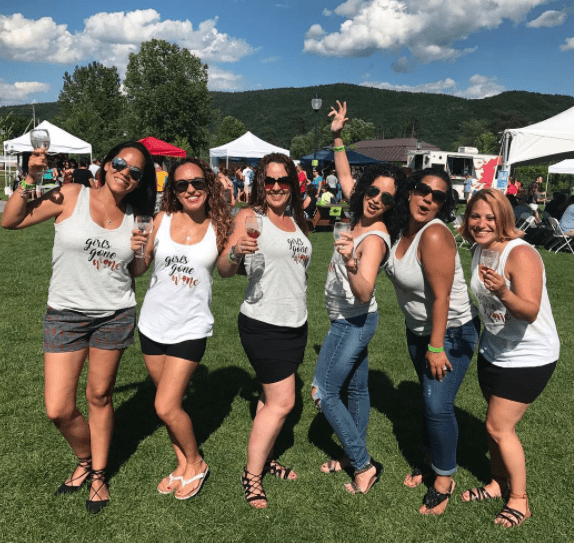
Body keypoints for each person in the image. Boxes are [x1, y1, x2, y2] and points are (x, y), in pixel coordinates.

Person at [2, 140, 156, 514]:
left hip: (114, 314)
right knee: (57, 408)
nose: (125, 173)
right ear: (105, 165)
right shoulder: (72, 195)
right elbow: (10, 220)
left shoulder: (138, 216)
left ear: (138, 182)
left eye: (135, 172)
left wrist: (141, 252)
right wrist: (30, 179)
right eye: (120, 163)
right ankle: (86, 457)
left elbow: (134, 271)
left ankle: (98, 473)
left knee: (99, 397)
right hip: (65, 313)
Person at [311, 100, 407, 494]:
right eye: (374, 192)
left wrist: (352, 261)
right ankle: (353, 455)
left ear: (392, 205)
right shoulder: (359, 210)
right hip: (351, 319)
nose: (376, 200)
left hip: (353, 320)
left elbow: (365, 290)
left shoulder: (375, 238)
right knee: (357, 388)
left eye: (386, 198)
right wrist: (337, 135)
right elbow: (345, 172)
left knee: (323, 390)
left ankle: (364, 465)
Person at [131, 157, 232, 500]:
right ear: (173, 191)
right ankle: (182, 466)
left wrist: (238, 254)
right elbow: (140, 269)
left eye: (197, 183)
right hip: (152, 325)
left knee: (165, 406)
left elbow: (226, 271)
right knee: (167, 404)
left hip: (191, 328)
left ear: (208, 185)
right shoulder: (162, 219)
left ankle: (196, 462)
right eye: (182, 185)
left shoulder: (221, 226)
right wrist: (137, 251)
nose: (191, 190)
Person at [458, 188, 559, 528]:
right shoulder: (479, 249)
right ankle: (496, 483)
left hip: (530, 354)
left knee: (499, 427)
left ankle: (519, 500)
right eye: (475, 216)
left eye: (490, 217)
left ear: (504, 218)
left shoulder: (521, 254)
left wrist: (503, 291)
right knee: (492, 426)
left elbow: (529, 311)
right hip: (494, 350)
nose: (481, 223)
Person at [217, 153, 312, 509]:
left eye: (282, 181)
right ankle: (252, 476)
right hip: (262, 323)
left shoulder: (296, 222)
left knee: (269, 398)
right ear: (260, 184)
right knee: (284, 401)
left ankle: (266, 458)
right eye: (268, 181)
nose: (275, 187)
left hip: (295, 323)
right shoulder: (248, 217)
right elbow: (224, 270)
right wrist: (236, 253)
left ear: (292, 185)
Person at [385, 165, 479, 515]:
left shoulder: (435, 235)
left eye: (438, 196)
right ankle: (431, 461)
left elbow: (442, 299)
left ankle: (444, 479)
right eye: (423, 190)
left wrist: (436, 347)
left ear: (443, 204)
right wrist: (336, 142)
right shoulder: (400, 229)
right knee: (429, 403)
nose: (428, 199)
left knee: (437, 406)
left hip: (451, 333)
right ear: (410, 190)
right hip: (419, 331)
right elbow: (357, 189)